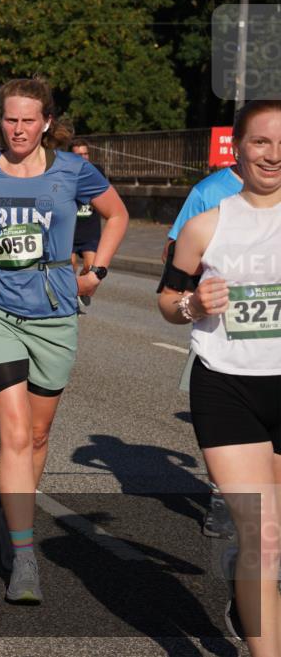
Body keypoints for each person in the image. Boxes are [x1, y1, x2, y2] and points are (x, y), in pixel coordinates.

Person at [0, 77, 128, 604]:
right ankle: (25, 556)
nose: (18, 129)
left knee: (40, 435)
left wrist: (100, 270)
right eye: (10, 119)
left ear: (46, 122)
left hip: (54, 310)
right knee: (17, 431)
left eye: (28, 119)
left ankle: (11, 520)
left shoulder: (73, 170)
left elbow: (117, 215)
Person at [156, 99, 280, 654]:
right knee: (262, 537)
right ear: (239, 148)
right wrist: (192, 304)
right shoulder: (207, 224)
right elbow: (166, 299)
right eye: (261, 142)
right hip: (228, 387)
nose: (273, 155)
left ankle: (249, 598)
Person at [161, 162, 245, 541]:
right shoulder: (210, 190)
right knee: (223, 426)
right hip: (222, 329)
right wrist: (194, 299)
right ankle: (220, 496)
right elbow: (174, 250)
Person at [69, 139, 104, 276]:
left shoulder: (97, 172)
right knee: (70, 266)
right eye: (78, 155)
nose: (83, 158)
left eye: (85, 154)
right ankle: (70, 293)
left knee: (90, 267)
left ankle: (81, 294)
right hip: (70, 230)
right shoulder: (64, 174)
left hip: (90, 231)